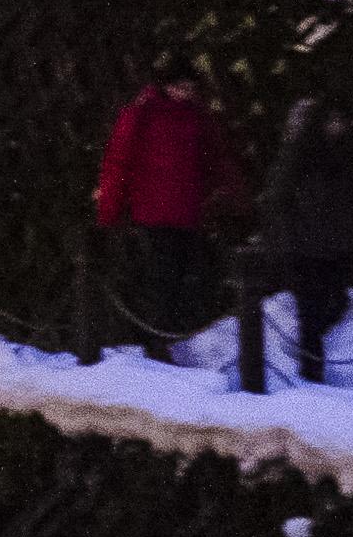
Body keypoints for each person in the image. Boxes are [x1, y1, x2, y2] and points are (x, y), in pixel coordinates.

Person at [95, 60, 246, 350]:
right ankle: (156, 342)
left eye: (190, 88)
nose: (186, 93)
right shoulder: (142, 114)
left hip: (186, 211)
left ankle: (164, 340)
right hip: (154, 211)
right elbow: (119, 162)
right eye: (181, 87)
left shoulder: (196, 117)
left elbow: (216, 160)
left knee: (177, 278)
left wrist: (231, 197)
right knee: (163, 279)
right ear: (166, 86)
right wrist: (110, 210)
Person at [263, 95, 353, 381]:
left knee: (334, 304)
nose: (336, 127)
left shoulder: (350, 155)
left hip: (338, 246)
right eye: (330, 120)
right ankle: (311, 372)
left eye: (340, 121)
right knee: (310, 312)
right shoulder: (302, 153)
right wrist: (290, 235)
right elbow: (278, 196)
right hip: (305, 247)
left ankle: (310, 361)